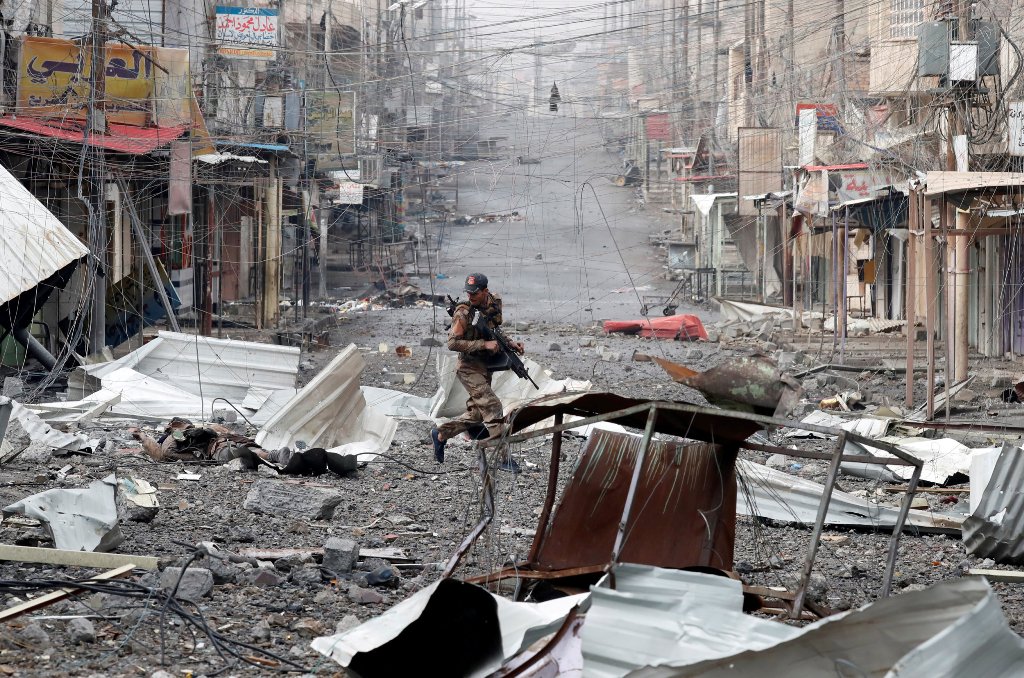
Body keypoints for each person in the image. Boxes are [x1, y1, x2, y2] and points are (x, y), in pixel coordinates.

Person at [430, 273, 525, 472]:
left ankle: (440, 435)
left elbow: (493, 330)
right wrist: (483, 344)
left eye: (475, 293)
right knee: (492, 406)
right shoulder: (464, 313)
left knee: (476, 414)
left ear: (485, 291)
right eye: (469, 293)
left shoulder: (493, 302)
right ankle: (503, 458)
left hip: (484, 366)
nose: (471, 296)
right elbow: (452, 343)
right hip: (468, 368)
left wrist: (510, 344)